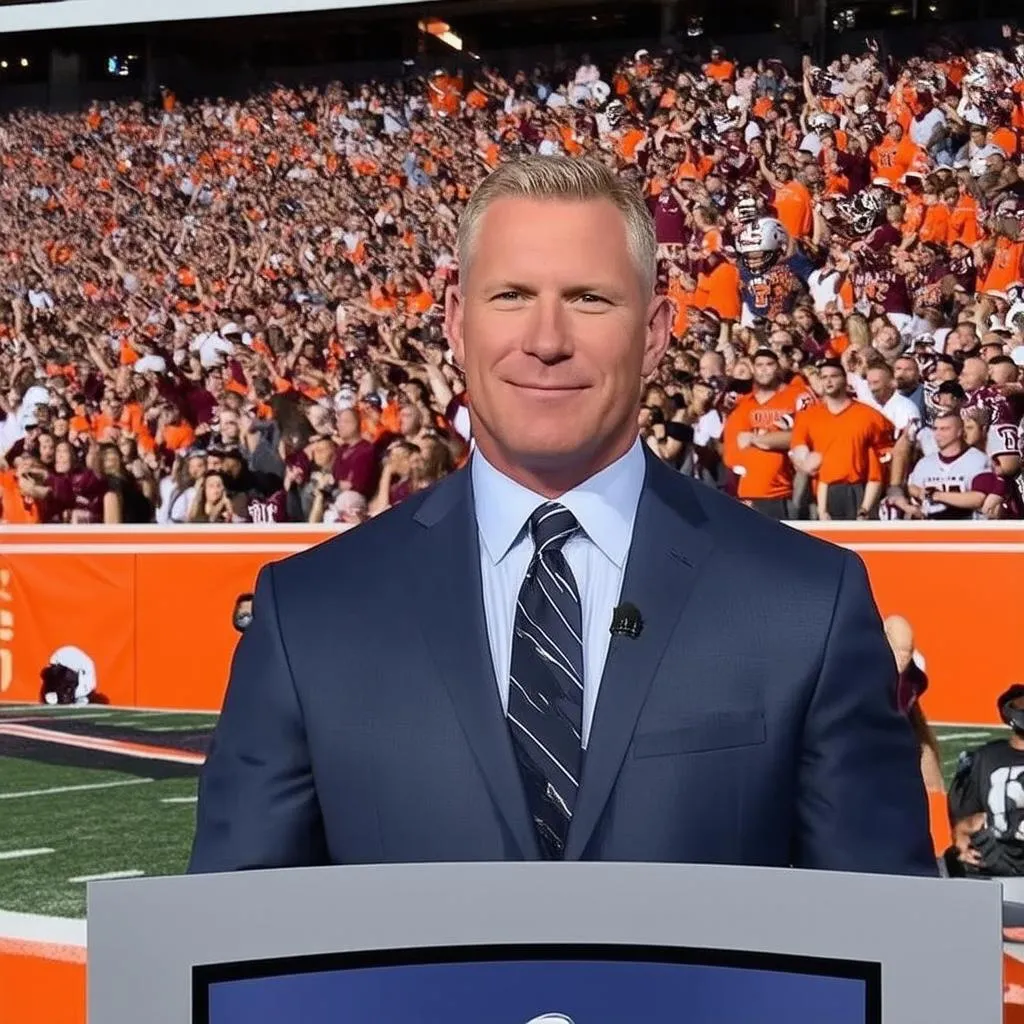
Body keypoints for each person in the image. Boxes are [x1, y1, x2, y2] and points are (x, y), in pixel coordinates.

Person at [189, 156, 935, 875]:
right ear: (455, 322)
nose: (546, 342)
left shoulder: (806, 603)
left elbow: (887, 953)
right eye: (511, 295)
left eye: (589, 299)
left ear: (654, 333)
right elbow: (228, 951)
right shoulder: (308, 614)